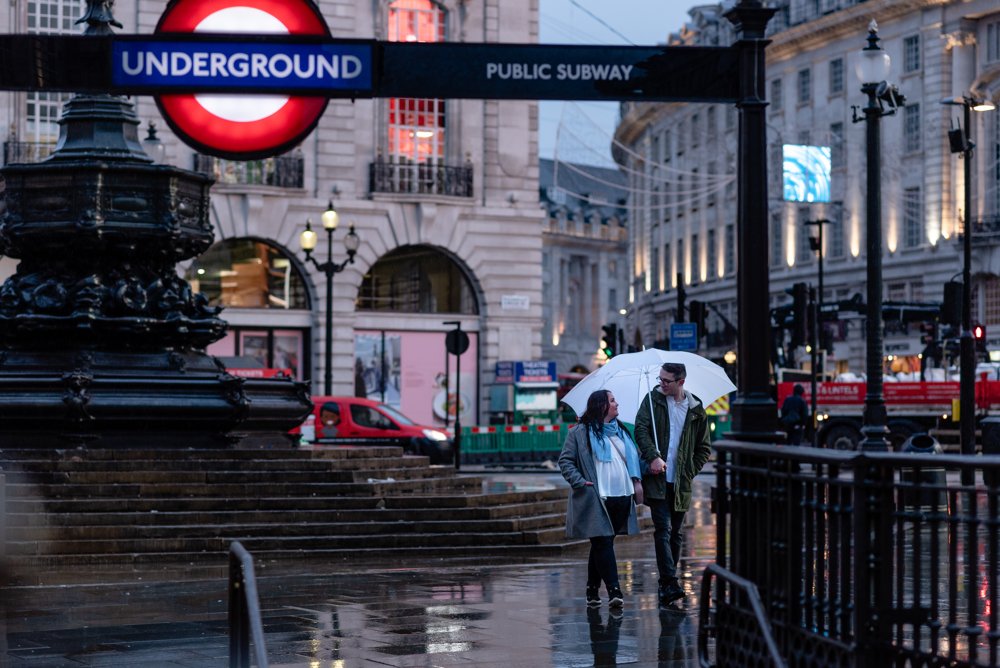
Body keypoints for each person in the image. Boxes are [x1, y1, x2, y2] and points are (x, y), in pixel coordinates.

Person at [634, 362, 712, 608]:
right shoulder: (652, 400)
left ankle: (666, 584)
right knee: (663, 530)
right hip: (657, 479)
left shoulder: (696, 408)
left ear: (681, 382)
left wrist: (689, 471)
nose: (662, 384)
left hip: (681, 481)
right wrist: (652, 456)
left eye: (667, 381)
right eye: (660, 379)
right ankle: (669, 581)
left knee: (676, 535)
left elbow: (704, 448)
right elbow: (640, 429)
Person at [558, 389, 644, 608]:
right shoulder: (579, 432)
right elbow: (565, 461)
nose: (617, 404)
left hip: (622, 495)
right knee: (602, 541)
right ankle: (615, 590)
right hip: (596, 496)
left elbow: (632, 459)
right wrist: (579, 481)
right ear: (601, 406)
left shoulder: (622, 431)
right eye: (612, 400)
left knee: (602, 543)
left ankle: (592, 590)